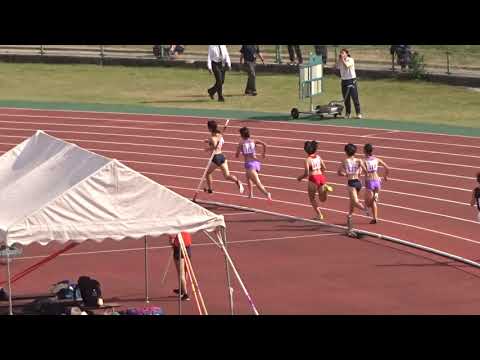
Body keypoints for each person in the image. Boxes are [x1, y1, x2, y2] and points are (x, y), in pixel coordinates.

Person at [204, 120, 244, 195]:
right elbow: (217, 142)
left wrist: (208, 148)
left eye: (208, 127)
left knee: (208, 173)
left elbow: (215, 146)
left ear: (210, 128)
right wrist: (208, 141)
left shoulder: (213, 137)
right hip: (222, 157)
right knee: (227, 176)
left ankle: (210, 189)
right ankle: (237, 181)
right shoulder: (219, 134)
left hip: (216, 158)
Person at [297, 141, 334, 220]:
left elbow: (306, 173)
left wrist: (300, 177)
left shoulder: (307, 160)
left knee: (312, 198)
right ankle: (326, 190)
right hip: (321, 177)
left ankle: (320, 215)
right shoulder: (318, 157)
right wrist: (320, 173)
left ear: (306, 150)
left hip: (313, 178)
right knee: (322, 199)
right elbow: (324, 168)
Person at [235, 127, 272, 201]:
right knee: (248, 177)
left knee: (257, 182)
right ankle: (250, 194)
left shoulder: (241, 143)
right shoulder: (253, 140)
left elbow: (236, 155)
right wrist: (263, 154)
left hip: (249, 164)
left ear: (242, 135)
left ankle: (267, 193)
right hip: (256, 163)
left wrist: (238, 153)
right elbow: (264, 144)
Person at [337, 143, 367, 221]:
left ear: (346, 152)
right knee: (352, 201)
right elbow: (365, 170)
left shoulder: (345, 161)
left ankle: (366, 209)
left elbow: (339, 172)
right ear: (355, 152)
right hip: (358, 183)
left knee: (355, 201)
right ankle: (350, 215)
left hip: (351, 183)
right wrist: (359, 171)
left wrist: (345, 174)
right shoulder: (359, 160)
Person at [363, 144, 390, 224]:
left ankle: (370, 211)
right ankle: (375, 218)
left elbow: (360, 171)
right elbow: (387, 167)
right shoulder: (377, 159)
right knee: (373, 201)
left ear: (364, 151)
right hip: (377, 181)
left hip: (369, 181)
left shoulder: (364, 161)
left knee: (368, 203)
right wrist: (385, 177)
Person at [335, 48, 363, 119]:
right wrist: (339, 60)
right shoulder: (341, 61)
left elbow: (346, 66)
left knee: (354, 97)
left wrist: (343, 60)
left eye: (343, 53)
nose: (342, 54)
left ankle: (358, 113)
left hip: (351, 80)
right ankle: (348, 113)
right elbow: (335, 67)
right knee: (346, 98)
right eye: (341, 53)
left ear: (347, 53)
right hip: (344, 80)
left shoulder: (350, 59)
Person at [169, 232, 193, 301]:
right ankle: (182, 289)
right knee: (186, 271)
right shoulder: (186, 227)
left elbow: (171, 241)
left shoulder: (174, 229)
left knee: (180, 273)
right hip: (187, 248)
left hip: (179, 249)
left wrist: (173, 245)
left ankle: (185, 294)